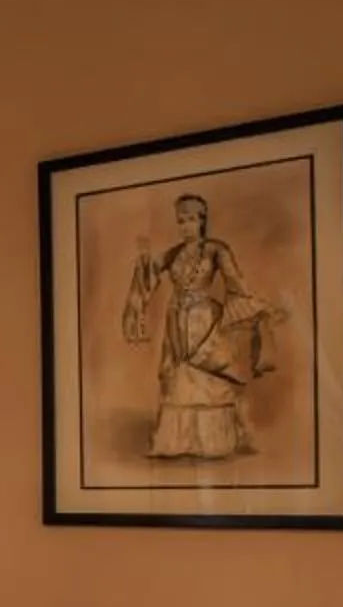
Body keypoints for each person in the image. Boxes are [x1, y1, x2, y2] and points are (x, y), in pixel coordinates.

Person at [120, 193, 283, 460]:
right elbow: (148, 282)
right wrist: (143, 264)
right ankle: (176, 443)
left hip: (204, 321)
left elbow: (237, 284)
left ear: (202, 221)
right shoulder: (173, 254)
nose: (185, 226)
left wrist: (256, 307)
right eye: (181, 221)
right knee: (179, 377)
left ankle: (212, 442)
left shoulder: (217, 249)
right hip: (176, 322)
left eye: (191, 220)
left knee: (208, 377)